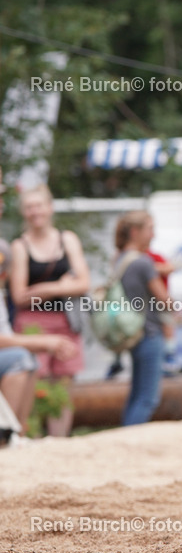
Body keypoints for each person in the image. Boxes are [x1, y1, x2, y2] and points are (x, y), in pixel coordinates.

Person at [9, 185, 90, 435]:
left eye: (39, 205)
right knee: (35, 383)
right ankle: (28, 437)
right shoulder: (19, 246)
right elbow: (20, 296)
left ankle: (59, 442)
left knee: (63, 387)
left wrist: (43, 290)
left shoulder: (67, 239)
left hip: (66, 320)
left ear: (50, 207)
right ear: (24, 212)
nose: (35, 212)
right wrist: (60, 286)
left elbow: (84, 283)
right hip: (32, 323)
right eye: (30, 207)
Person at [112, 211, 174, 426]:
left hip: (132, 332)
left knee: (136, 393)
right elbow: (165, 301)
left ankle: (124, 438)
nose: (153, 235)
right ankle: (131, 440)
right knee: (147, 397)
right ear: (135, 232)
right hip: (150, 332)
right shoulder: (143, 262)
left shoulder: (119, 258)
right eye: (150, 229)